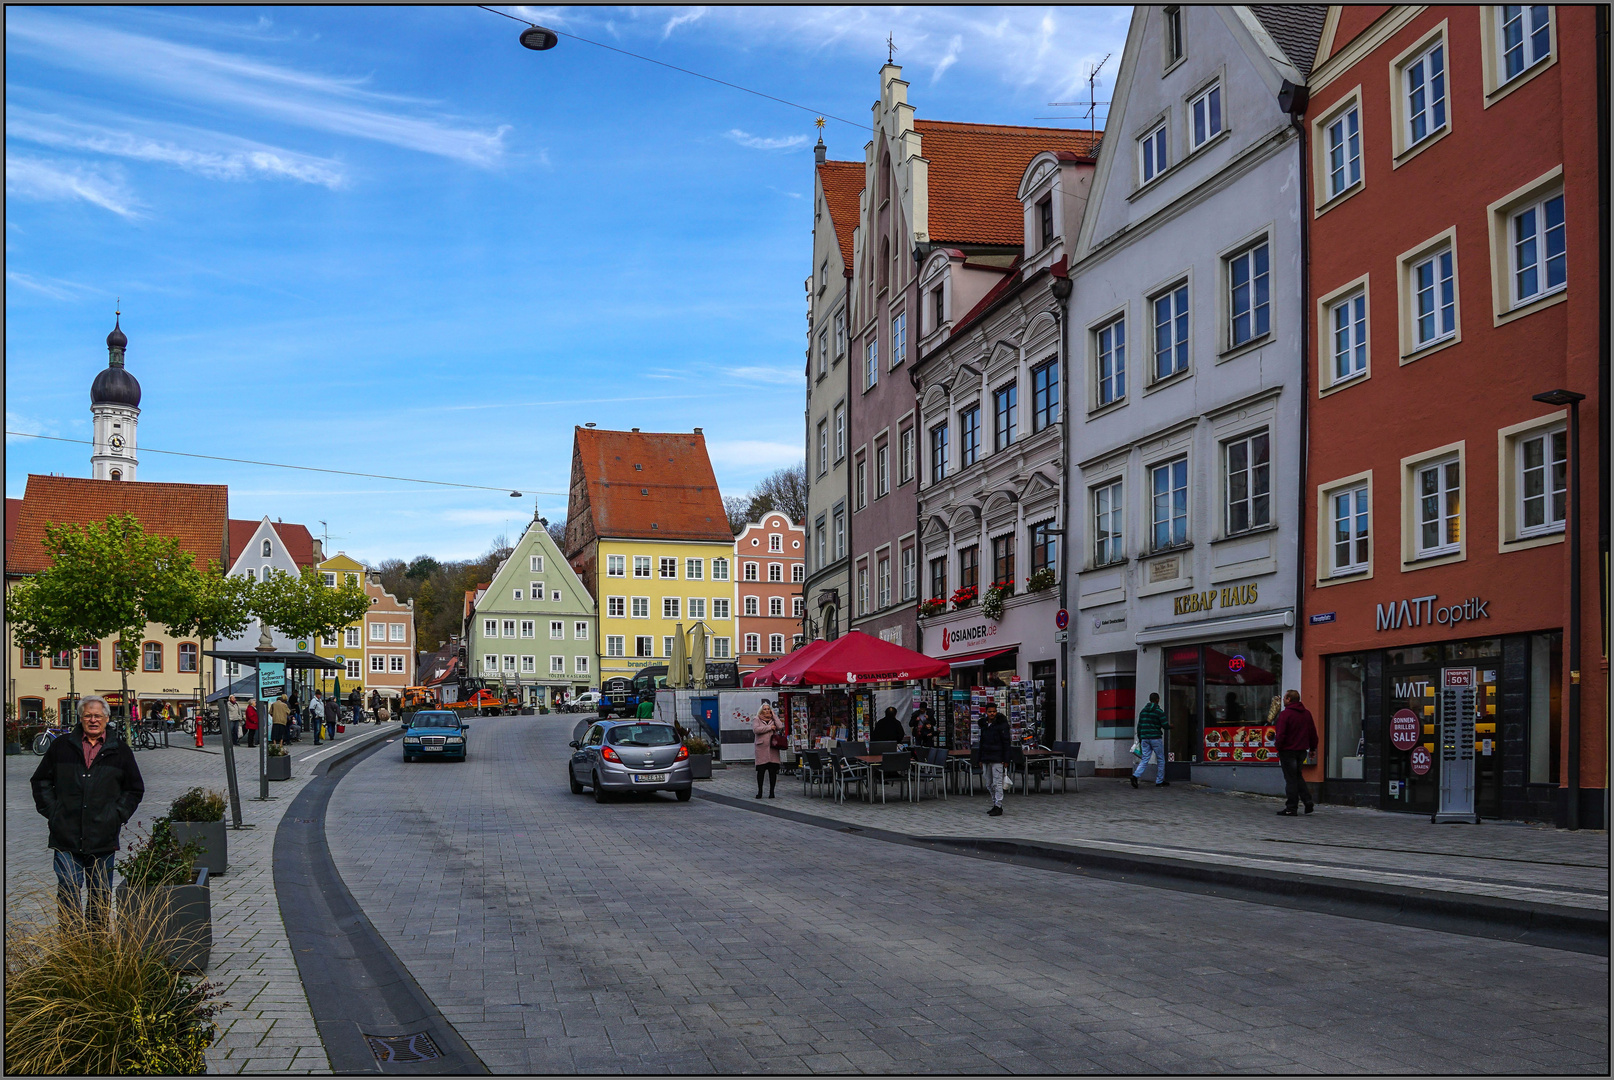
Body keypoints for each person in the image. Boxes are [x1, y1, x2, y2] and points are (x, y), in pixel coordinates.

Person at [30, 695, 144, 925]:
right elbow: (40, 781)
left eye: (98, 716)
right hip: (66, 835)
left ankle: (96, 946)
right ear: (80, 718)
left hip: (103, 835)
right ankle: (72, 946)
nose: (93, 720)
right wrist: (54, 812)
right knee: (68, 891)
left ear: (107, 719)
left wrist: (117, 815)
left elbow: (134, 789)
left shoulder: (119, 750)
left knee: (100, 895)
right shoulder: (62, 747)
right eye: (88, 715)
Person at [1273, 689, 1317, 816]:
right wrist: (1313, 748)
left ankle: (1291, 807)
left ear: (1289, 699)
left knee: (1291, 779)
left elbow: (1281, 734)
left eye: (1285, 698)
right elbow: (1312, 732)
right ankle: (1307, 801)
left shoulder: (1285, 714)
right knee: (1297, 776)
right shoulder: (1306, 714)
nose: (1283, 700)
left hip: (1287, 750)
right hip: (1301, 751)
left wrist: (1278, 746)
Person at [976, 700, 1011, 816]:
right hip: (986, 757)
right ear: (986, 712)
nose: (992, 714)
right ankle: (994, 803)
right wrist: (980, 758)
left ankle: (998, 805)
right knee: (989, 783)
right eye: (990, 712)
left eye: (994, 712)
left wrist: (1006, 759)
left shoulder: (1001, 725)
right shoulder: (985, 726)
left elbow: (1006, 743)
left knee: (997, 783)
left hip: (997, 757)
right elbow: (981, 743)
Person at [1132, 693, 1169, 788]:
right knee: (1160, 759)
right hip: (1155, 738)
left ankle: (1135, 776)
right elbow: (1165, 725)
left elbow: (1139, 726)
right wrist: (1171, 726)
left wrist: (1140, 738)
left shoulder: (1143, 711)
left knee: (1145, 759)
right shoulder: (1159, 711)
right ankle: (1159, 781)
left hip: (1144, 738)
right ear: (1157, 700)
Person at [752, 701, 785, 799]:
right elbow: (756, 730)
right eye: (765, 709)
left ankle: (772, 792)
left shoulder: (773, 719)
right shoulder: (756, 719)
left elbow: (780, 726)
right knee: (761, 772)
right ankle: (760, 791)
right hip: (761, 749)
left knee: (772, 772)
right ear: (761, 711)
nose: (767, 711)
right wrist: (769, 727)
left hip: (772, 749)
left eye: (768, 709)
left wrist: (774, 716)